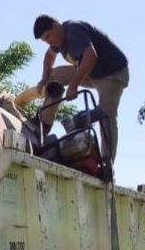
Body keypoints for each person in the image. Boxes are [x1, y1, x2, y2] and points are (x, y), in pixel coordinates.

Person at [33, 14, 129, 162]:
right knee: (55, 76)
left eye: (48, 36)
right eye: (45, 40)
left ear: (56, 25)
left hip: (112, 73)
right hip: (91, 72)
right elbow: (49, 56)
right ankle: (44, 124)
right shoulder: (57, 40)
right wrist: (44, 79)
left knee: (106, 115)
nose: (49, 42)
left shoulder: (73, 30)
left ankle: (106, 163)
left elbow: (91, 56)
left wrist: (74, 85)